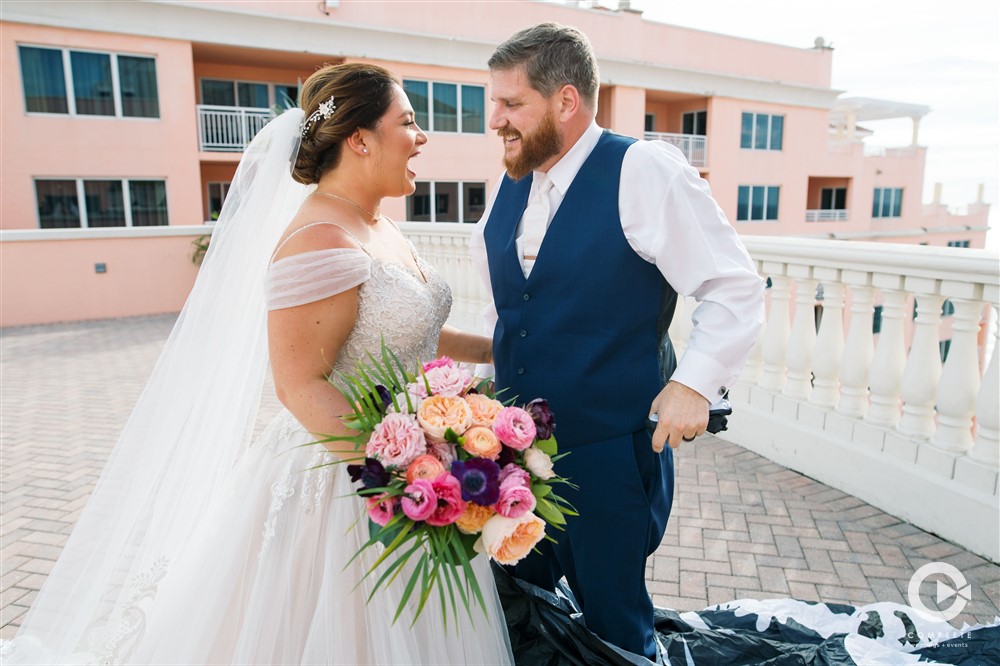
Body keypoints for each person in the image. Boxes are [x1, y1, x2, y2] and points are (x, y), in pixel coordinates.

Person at [2, 63, 512, 665]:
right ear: (359, 139)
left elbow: (415, 332)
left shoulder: (378, 225)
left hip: (413, 461)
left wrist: (499, 350)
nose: (422, 136)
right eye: (408, 121)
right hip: (346, 483)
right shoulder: (318, 239)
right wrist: (409, 480)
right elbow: (300, 385)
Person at [470, 23, 766, 662]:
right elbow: (519, 307)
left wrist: (693, 383)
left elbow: (733, 284)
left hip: (609, 452)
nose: (496, 119)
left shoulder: (643, 170)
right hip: (516, 454)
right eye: (495, 102)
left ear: (566, 101)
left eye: (511, 103)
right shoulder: (508, 185)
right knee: (524, 607)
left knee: (612, 622)